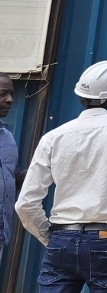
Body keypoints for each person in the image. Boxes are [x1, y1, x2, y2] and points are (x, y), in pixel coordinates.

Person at [17, 60, 107, 293]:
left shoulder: (53, 137)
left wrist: (51, 237)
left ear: (81, 98)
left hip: (61, 240)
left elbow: (26, 204)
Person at [0, 74, 21, 264]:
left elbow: (12, 179)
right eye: (3, 94)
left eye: (11, 94)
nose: (10, 99)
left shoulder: (7, 137)